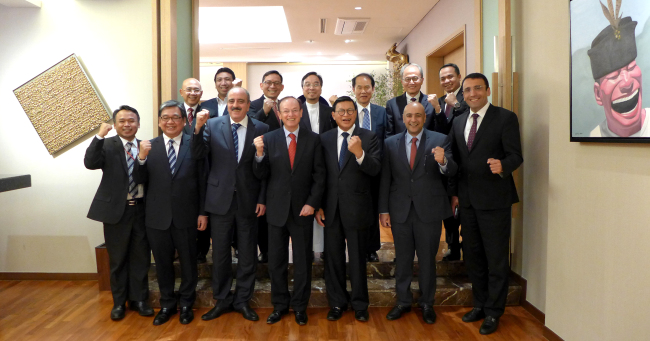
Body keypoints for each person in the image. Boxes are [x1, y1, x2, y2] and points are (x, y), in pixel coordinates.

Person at [448, 73, 522, 335]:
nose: (472, 94)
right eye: (467, 90)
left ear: (487, 90)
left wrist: (504, 165)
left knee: (496, 259)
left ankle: (494, 311)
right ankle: (479, 304)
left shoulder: (505, 118)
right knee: (474, 257)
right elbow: (456, 161)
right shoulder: (457, 122)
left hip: (495, 201)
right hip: (467, 202)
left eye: (477, 88)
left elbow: (516, 155)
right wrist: (454, 193)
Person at [191, 87, 269, 322]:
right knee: (221, 254)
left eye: (241, 101)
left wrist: (262, 198)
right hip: (219, 201)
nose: (236, 104)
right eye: (232, 100)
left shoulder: (262, 129)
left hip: (249, 202)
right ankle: (222, 300)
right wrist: (197, 128)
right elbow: (198, 156)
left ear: (248, 105)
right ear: (226, 103)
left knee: (248, 255)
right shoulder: (213, 125)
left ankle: (243, 300)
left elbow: (266, 171)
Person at [379, 101, 457, 325]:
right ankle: (403, 301)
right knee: (402, 259)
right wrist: (384, 210)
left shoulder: (440, 140)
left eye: (418, 116)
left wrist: (443, 162)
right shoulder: (389, 143)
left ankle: (426, 303)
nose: (413, 120)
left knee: (427, 260)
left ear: (425, 118)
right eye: (409, 116)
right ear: (403, 118)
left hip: (429, 211)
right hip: (400, 210)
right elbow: (386, 178)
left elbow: (453, 171)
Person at [252, 96, 326, 326]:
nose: (291, 114)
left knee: (303, 261)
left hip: (303, 210)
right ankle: (280, 305)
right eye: (286, 111)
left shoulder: (314, 140)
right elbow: (261, 175)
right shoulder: (268, 139)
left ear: (301, 113)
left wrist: (312, 203)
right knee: (276, 261)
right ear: (280, 114)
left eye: (295, 110)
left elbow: (320, 175)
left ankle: (300, 306)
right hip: (276, 210)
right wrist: (259, 155)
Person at [134, 100, 208, 325]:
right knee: (163, 264)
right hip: (157, 217)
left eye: (175, 117)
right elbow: (139, 180)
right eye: (165, 117)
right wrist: (141, 158)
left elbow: (203, 179)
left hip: (187, 215)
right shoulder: (148, 146)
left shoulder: (194, 142)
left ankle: (186, 303)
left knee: (188, 263)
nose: (170, 121)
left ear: (184, 120)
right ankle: (167, 304)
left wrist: (203, 212)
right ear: (159, 122)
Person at [315, 96, 381, 322]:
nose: (345, 114)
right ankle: (337, 303)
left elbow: (375, 170)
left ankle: (361, 304)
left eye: (350, 111)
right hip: (331, 210)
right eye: (341, 111)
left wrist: (360, 154)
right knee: (332, 259)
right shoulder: (323, 139)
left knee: (357, 260)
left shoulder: (369, 136)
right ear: (333, 115)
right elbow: (320, 175)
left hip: (358, 208)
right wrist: (319, 206)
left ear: (356, 113)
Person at [84, 105, 153, 321]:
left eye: (131, 120)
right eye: (122, 121)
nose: (127, 124)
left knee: (141, 258)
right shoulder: (107, 145)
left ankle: (139, 300)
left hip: (141, 210)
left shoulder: (146, 146)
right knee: (118, 260)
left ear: (138, 123)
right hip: (116, 212)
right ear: (115, 125)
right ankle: (119, 303)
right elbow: (90, 163)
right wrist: (98, 136)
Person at [427, 63, 468, 261]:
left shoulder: (466, 97)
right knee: (448, 208)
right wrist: (437, 108)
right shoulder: (442, 101)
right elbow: (442, 130)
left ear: (459, 77)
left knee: (463, 208)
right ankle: (452, 246)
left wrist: (457, 105)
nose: (446, 81)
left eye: (450, 76)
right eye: (443, 78)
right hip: (446, 159)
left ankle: (467, 246)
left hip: (465, 161)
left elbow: (469, 121)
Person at [352, 72, 392, 262]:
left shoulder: (382, 112)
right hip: (353, 169)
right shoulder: (348, 111)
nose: (363, 91)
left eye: (367, 87)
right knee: (357, 209)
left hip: (376, 167)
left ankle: (371, 248)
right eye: (359, 87)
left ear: (373, 89)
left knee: (373, 208)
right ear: (353, 90)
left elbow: (388, 139)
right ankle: (355, 246)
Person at [588, 15, 648, 137]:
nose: (627, 82)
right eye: (613, 76)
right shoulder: (595, 136)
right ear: (598, 94)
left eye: (631, 68)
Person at [298, 71, 336, 262]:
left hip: (326, 164)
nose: (311, 87)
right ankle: (309, 250)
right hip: (303, 166)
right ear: (302, 88)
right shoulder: (296, 111)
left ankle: (324, 250)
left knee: (324, 206)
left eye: (315, 84)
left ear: (321, 88)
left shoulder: (330, 112)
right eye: (307, 84)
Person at [385, 63, 447, 135]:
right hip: (400, 145)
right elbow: (389, 134)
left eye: (415, 78)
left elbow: (441, 131)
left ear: (422, 80)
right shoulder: (392, 104)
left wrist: (438, 109)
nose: (411, 82)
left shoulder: (432, 102)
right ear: (402, 82)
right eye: (407, 79)